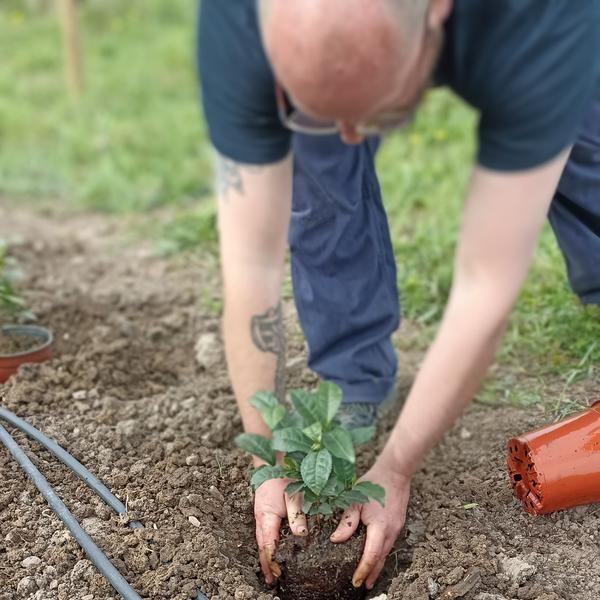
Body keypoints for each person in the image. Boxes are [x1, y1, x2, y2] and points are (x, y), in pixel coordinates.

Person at [197, 0, 600, 591]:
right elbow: (249, 267)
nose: (352, 136)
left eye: (373, 112)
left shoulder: (540, 19)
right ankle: (354, 380)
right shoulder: (239, 27)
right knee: (322, 177)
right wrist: (268, 459)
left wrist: (397, 467)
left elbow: (486, 282)